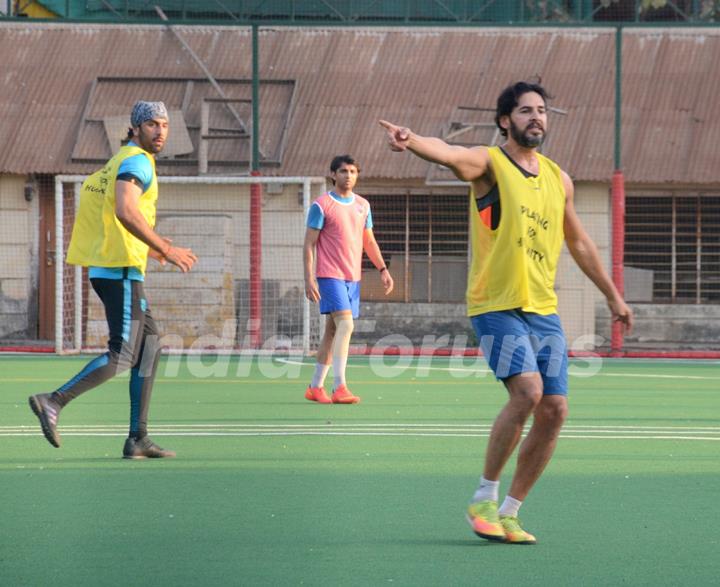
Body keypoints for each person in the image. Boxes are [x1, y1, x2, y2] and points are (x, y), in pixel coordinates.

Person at [379, 81, 633, 544]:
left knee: (555, 409)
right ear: (505, 121)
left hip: (543, 310)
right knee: (529, 393)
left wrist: (613, 296)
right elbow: (449, 153)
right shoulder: (490, 163)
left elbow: (577, 242)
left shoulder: (559, 179)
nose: (535, 117)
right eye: (524, 111)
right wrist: (412, 141)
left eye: (541, 111)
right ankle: (484, 496)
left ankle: (510, 511)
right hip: (496, 305)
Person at [28, 101, 197, 459]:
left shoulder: (117, 161)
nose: (161, 130)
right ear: (135, 128)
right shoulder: (136, 162)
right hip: (118, 271)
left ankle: (138, 438)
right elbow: (125, 211)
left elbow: (113, 216)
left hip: (120, 268)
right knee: (124, 354)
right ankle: (53, 401)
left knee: (150, 348)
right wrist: (166, 248)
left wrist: (150, 252)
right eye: (152, 123)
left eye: (165, 124)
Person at [303, 155, 394, 404]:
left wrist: (383, 269)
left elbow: (369, 241)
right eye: (343, 171)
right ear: (333, 174)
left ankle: (315, 387)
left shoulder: (363, 205)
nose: (348, 176)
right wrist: (308, 278)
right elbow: (309, 244)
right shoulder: (321, 205)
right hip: (329, 275)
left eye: (353, 171)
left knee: (332, 332)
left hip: (352, 278)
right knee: (347, 325)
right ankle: (340, 386)